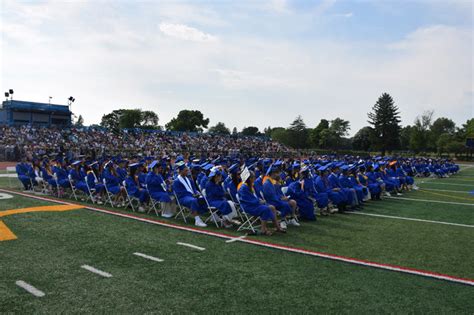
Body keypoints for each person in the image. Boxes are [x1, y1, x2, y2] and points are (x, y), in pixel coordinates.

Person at [238, 171, 285, 235]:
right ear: (250, 179)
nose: (255, 178)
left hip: (254, 204)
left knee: (272, 207)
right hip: (248, 206)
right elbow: (248, 200)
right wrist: (259, 201)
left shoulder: (250, 186)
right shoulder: (243, 188)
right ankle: (263, 229)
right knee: (266, 209)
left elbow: (253, 197)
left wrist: (259, 200)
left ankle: (277, 227)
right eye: (253, 177)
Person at [172, 162, 208, 227]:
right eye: (185, 171)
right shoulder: (176, 181)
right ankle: (197, 220)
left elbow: (194, 189)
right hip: (183, 198)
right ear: (181, 171)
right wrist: (192, 195)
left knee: (204, 198)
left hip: (191, 196)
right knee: (193, 201)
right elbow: (179, 193)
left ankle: (214, 217)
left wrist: (197, 193)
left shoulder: (189, 180)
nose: (187, 172)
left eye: (187, 170)